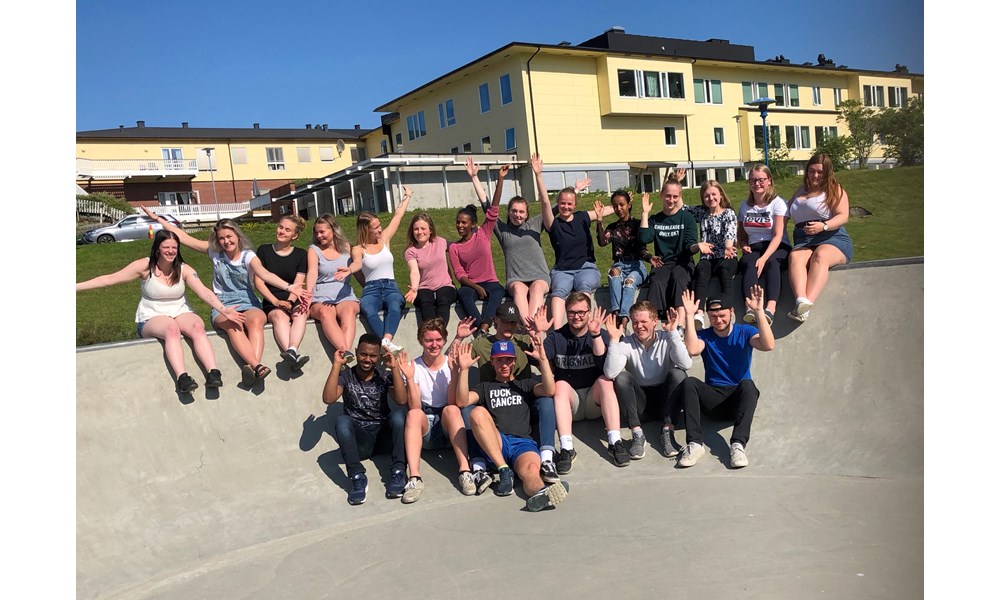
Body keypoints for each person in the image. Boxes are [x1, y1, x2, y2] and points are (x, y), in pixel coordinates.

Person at [142, 208, 305, 386]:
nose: (226, 241)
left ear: (237, 236)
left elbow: (265, 275)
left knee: (256, 320)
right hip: (223, 302)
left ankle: (252, 368)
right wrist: (158, 219)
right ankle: (257, 366)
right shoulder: (214, 253)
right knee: (233, 324)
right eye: (222, 238)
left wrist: (290, 287)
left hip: (248, 299)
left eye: (229, 236)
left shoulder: (248, 255)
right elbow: (184, 238)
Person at [76, 229, 242, 392]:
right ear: (157, 249)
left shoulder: (184, 269)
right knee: (171, 329)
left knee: (197, 326)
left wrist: (223, 309)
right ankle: (182, 377)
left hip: (180, 311)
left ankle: (213, 373)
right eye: (166, 247)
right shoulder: (145, 266)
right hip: (151, 316)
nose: (170, 251)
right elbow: (110, 279)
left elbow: (203, 291)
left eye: (174, 248)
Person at [454, 337, 570, 512]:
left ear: (514, 361)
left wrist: (543, 360)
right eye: (499, 360)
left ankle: (541, 493)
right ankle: (503, 470)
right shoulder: (485, 387)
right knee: (476, 412)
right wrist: (463, 370)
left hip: (522, 444)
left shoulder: (525, 384)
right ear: (492, 362)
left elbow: (549, 390)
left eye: (508, 359)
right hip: (497, 443)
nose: (504, 364)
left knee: (532, 470)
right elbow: (462, 401)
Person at [676, 286, 774, 468]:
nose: (718, 320)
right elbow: (692, 350)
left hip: (737, 400)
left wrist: (759, 312)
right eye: (713, 317)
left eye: (722, 315)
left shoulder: (744, 332)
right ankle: (695, 444)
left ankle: (737, 445)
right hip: (713, 400)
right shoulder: (704, 335)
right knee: (689, 382)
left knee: (749, 385)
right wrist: (689, 316)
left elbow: (768, 345)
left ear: (731, 312)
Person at [462, 302, 560, 483]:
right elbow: (454, 360)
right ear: (496, 320)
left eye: (513, 322)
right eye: (506, 321)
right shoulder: (480, 343)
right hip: (492, 403)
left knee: (546, 400)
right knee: (468, 409)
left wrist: (538, 334)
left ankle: (546, 460)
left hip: (524, 398)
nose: (510, 326)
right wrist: (458, 342)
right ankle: (479, 467)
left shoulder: (523, 342)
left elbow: (548, 371)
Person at [396, 319, 485, 504]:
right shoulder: (414, 366)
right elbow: (414, 407)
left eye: (438, 340)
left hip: (448, 426)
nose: (434, 345)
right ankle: (414, 478)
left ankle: (465, 471)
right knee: (412, 415)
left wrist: (454, 374)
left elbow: (454, 402)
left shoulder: (450, 364)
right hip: (426, 428)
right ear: (421, 340)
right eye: (429, 340)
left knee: (452, 409)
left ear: (444, 341)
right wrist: (410, 379)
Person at [322, 334, 408, 504]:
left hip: (384, 439)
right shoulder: (347, 375)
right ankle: (357, 477)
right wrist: (336, 365)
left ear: (379, 357)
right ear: (356, 352)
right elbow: (328, 399)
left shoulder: (384, 375)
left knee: (398, 416)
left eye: (373, 356)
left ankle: (398, 472)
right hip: (361, 443)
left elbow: (401, 400)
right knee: (342, 421)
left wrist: (395, 368)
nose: (367, 359)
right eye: (363, 354)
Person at [603, 300, 692, 465]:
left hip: (666, 399)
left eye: (644, 322)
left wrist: (673, 333)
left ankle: (668, 430)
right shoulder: (627, 343)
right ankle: (637, 433)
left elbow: (686, 364)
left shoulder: (667, 338)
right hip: (640, 403)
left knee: (679, 374)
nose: (639, 326)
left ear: (654, 321)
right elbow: (610, 372)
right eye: (635, 322)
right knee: (622, 378)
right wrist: (614, 341)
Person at [538, 292, 618, 475]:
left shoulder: (600, 334)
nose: (577, 316)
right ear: (566, 313)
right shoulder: (556, 338)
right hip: (570, 405)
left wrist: (596, 335)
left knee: (606, 381)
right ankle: (567, 448)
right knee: (560, 384)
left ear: (589, 312)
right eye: (572, 312)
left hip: (593, 401)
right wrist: (538, 333)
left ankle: (615, 442)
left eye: (581, 312)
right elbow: (539, 359)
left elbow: (604, 365)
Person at [531, 153, 614, 327]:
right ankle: (557, 331)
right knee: (559, 291)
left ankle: (587, 328)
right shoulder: (552, 223)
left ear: (575, 205)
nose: (566, 207)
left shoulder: (582, 217)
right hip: (563, 270)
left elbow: (605, 211)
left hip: (586, 267)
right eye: (562, 203)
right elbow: (545, 202)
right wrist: (539, 175)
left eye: (570, 204)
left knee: (584, 286)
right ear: (558, 204)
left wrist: (622, 204)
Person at [466, 159, 549, 324]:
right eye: (514, 211)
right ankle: (529, 327)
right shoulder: (502, 230)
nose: (517, 215)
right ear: (509, 212)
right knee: (518, 289)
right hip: (516, 279)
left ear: (527, 214)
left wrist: (539, 175)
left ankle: (531, 328)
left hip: (539, 276)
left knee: (537, 288)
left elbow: (553, 206)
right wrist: (474, 177)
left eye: (521, 212)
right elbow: (487, 206)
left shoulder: (536, 224)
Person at [335, 187, 413, 352]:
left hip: (391, 286)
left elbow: (398, 215)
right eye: (375, 227)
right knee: (368, 308)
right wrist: (349, 270)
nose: (379, 229)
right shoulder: (358, 248)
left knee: (395, 303)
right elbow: (357, 263)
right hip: (371, 289)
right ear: (366, 229)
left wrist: (407, 196)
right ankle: (388, 344)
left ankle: (385, 341)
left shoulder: (384, 239)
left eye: (379, 225)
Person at [786, 153, 854, 322]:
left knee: (821, 256)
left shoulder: (834, 189)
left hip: (831, 236)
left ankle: (805, 306)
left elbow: (843, 216)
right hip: (804, 239)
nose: (815, 175)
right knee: (795, 256)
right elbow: (784, 213)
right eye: (811, 171)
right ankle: (801, 300)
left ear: (827, 173)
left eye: (820, 172)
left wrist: (823, 226)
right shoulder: (800, 191)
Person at [639, 170, 698, 322]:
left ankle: (680, 324)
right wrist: (645, 214)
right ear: (661, 196)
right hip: (663, 262)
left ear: (679, 197)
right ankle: (655, 321)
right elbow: (645, 237)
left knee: (679, 279)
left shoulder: (687, 218)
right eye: (668, 196)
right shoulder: (656, 219)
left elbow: (689, 245)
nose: (671, 200)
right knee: (657, 281)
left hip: (683, 261)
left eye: (675, 196)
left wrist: (697, 246)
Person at [254, 215, 310, 371]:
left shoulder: (300, 254)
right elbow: (258, 282)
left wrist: (291, 302)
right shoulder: (264, 250)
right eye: (280, 227)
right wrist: (275, 302)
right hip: (272, 300)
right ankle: (292, 354)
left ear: (295, 235)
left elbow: (298, 284)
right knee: (280, 316)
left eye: (287, 230)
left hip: (293, 298)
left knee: (301, 313)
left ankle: (292, 350)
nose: (282, 231)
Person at [737, 164, 791, 325]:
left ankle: (770, 309)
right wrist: (743, 243)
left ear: (769, 181)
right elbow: (741, 234)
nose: (757, 184)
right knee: (748, 263)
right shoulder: (745, 206)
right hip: (754, 246)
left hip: (777, 245)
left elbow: (778, 234)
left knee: (772, 263)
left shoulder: (778, 203)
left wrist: (765, 258)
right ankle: (750, 307)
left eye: (761, 180)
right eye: (753, 180)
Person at [304, 214, 361, 362]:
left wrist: (365, 286)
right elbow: (312, 272)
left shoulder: (347, 247)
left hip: (344, 293)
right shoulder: (314, 250)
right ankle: (345, 351)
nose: (319, 235)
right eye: (316, 232)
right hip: (321, 294)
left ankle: (343, 354)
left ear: (334, 230)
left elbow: (357, 266)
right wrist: (308, 295)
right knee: (325, 312)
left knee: (349, 311)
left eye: (322, 232)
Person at [595, 190, 654, 327]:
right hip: (620, 265)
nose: (619, 209)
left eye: (622, 204)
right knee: (613, 274)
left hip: (637, 266)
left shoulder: (638, 224)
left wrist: (650, 258)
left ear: (629, 204)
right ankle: (616, 313)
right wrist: (599, 220)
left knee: (629, 282)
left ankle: (624, 320)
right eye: (615, 206)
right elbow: (602, 242)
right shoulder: (613, 227)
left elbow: (642, 249)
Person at [685, 180, 738, 330]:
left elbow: (730, 231)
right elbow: (682, 207)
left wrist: (728, 247)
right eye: (706, 196)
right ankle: (699, 312)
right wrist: (677, 180)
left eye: (714, 194)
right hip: (707, 256)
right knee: (700, 271)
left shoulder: (728, 213)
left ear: (720, 195)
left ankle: (727, 309)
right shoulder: (702, 213)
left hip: (726, 255)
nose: (711, 198)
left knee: (725, 271)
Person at [448, 201, 504, 336]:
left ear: (472, 224)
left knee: (498, 291)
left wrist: (501, 180)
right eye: (458, 222)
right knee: (464, 294)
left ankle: (485, 326)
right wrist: (477, 287)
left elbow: (493, 212)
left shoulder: (482, 234)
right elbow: (459, 274)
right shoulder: (454, 247)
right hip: (470, 284)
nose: (459, 225)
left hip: (489, 280)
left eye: (463, 223)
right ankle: (480, 331)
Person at [403, 211, 457, 327]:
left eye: (423, 228)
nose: (420, 232)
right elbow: (414, 272)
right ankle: (431, 331)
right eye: (416, 229)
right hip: (423, 287)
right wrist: (414, 289)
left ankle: (440, 330)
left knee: (443, 298)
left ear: (430, 230)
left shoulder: (441, 242)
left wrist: (475, 233)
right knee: (425, 300)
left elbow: (460, 248)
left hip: (445, 285)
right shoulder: (411, 251)